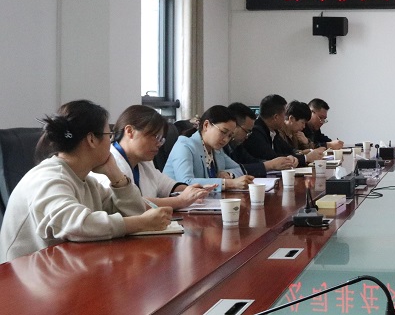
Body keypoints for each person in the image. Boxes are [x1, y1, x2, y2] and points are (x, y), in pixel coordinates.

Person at [0, 100, 171, 263]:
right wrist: (141, 223)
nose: (111, 141)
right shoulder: (48, 177)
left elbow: (133, 212)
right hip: (21, 277)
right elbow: (76, 225)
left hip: (61, 269)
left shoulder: (86, 181)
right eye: (109, 135)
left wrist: (116, 176)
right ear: (91, 139)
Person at [94, 105, 213, 210]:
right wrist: (180, 200)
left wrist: (193, 191)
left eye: (161, 139)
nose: (159, 144)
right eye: (155, 137)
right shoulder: (108, 163)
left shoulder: (144, 162)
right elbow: (130, 204)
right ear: (130, 131)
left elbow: (165, 185)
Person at [163, 105, 254, 190]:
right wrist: (228, 183)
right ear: (206, 125)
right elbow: (186, 182)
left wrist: (228, 174)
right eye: (223, 132)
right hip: (174, 199)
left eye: (230, 136)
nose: (226, 140)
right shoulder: (184, 146)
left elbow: (240, 169)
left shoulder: (216, 150)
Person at [224, 102, 295, 177]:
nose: (247, 136)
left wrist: (284, 161)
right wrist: (270, 165)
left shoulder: (237, 146)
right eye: (247, 131)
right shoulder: (222, 147)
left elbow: (252, 161)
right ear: (234, 126)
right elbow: (237, 169)